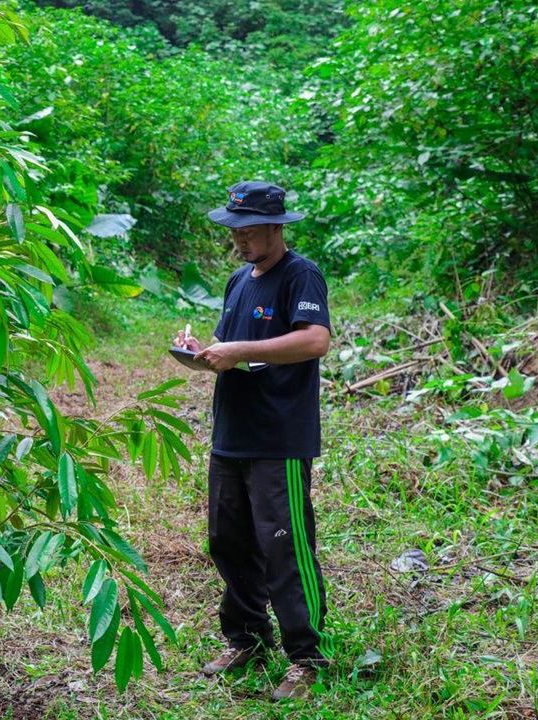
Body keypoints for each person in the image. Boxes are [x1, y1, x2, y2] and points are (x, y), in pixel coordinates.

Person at [173, 181, 333, 700]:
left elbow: (315, 340)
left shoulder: (300, 274)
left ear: (276, 227)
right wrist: (203, 350)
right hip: (231, 436)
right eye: (233, 232)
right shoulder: (238, 280)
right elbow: (231, 347)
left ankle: (306, 656)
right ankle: (245, 638)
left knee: (285, 548)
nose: (238, 241)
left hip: (277, 439)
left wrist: (238, 347)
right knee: (229, 541)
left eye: (247, 231)